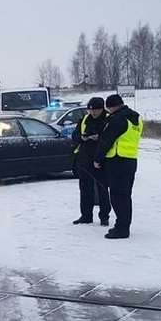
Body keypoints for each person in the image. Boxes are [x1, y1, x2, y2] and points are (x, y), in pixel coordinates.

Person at [94, 94, 143, 239]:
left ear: (112, 106)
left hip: (117, 160)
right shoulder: (137, 118)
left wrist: (97, 158)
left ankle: (121, 228)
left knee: (117, 196)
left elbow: (106, 140)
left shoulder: (117, 119)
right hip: (131, 160)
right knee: (125, 196)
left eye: (108, 108)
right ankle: (124, 225)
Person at [72, 97, 111, 226]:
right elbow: (74, 136)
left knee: (102, 189)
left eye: (96, 110)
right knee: (85, 189)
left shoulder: (108, 120)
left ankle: (104, 216)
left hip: (101, 160)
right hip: (84, 158)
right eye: (90, 110)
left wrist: (98, 138)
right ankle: (86, 215)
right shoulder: (84, 120)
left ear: (102, 109)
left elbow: (111, 139)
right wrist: (82, 138)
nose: (93, 112)